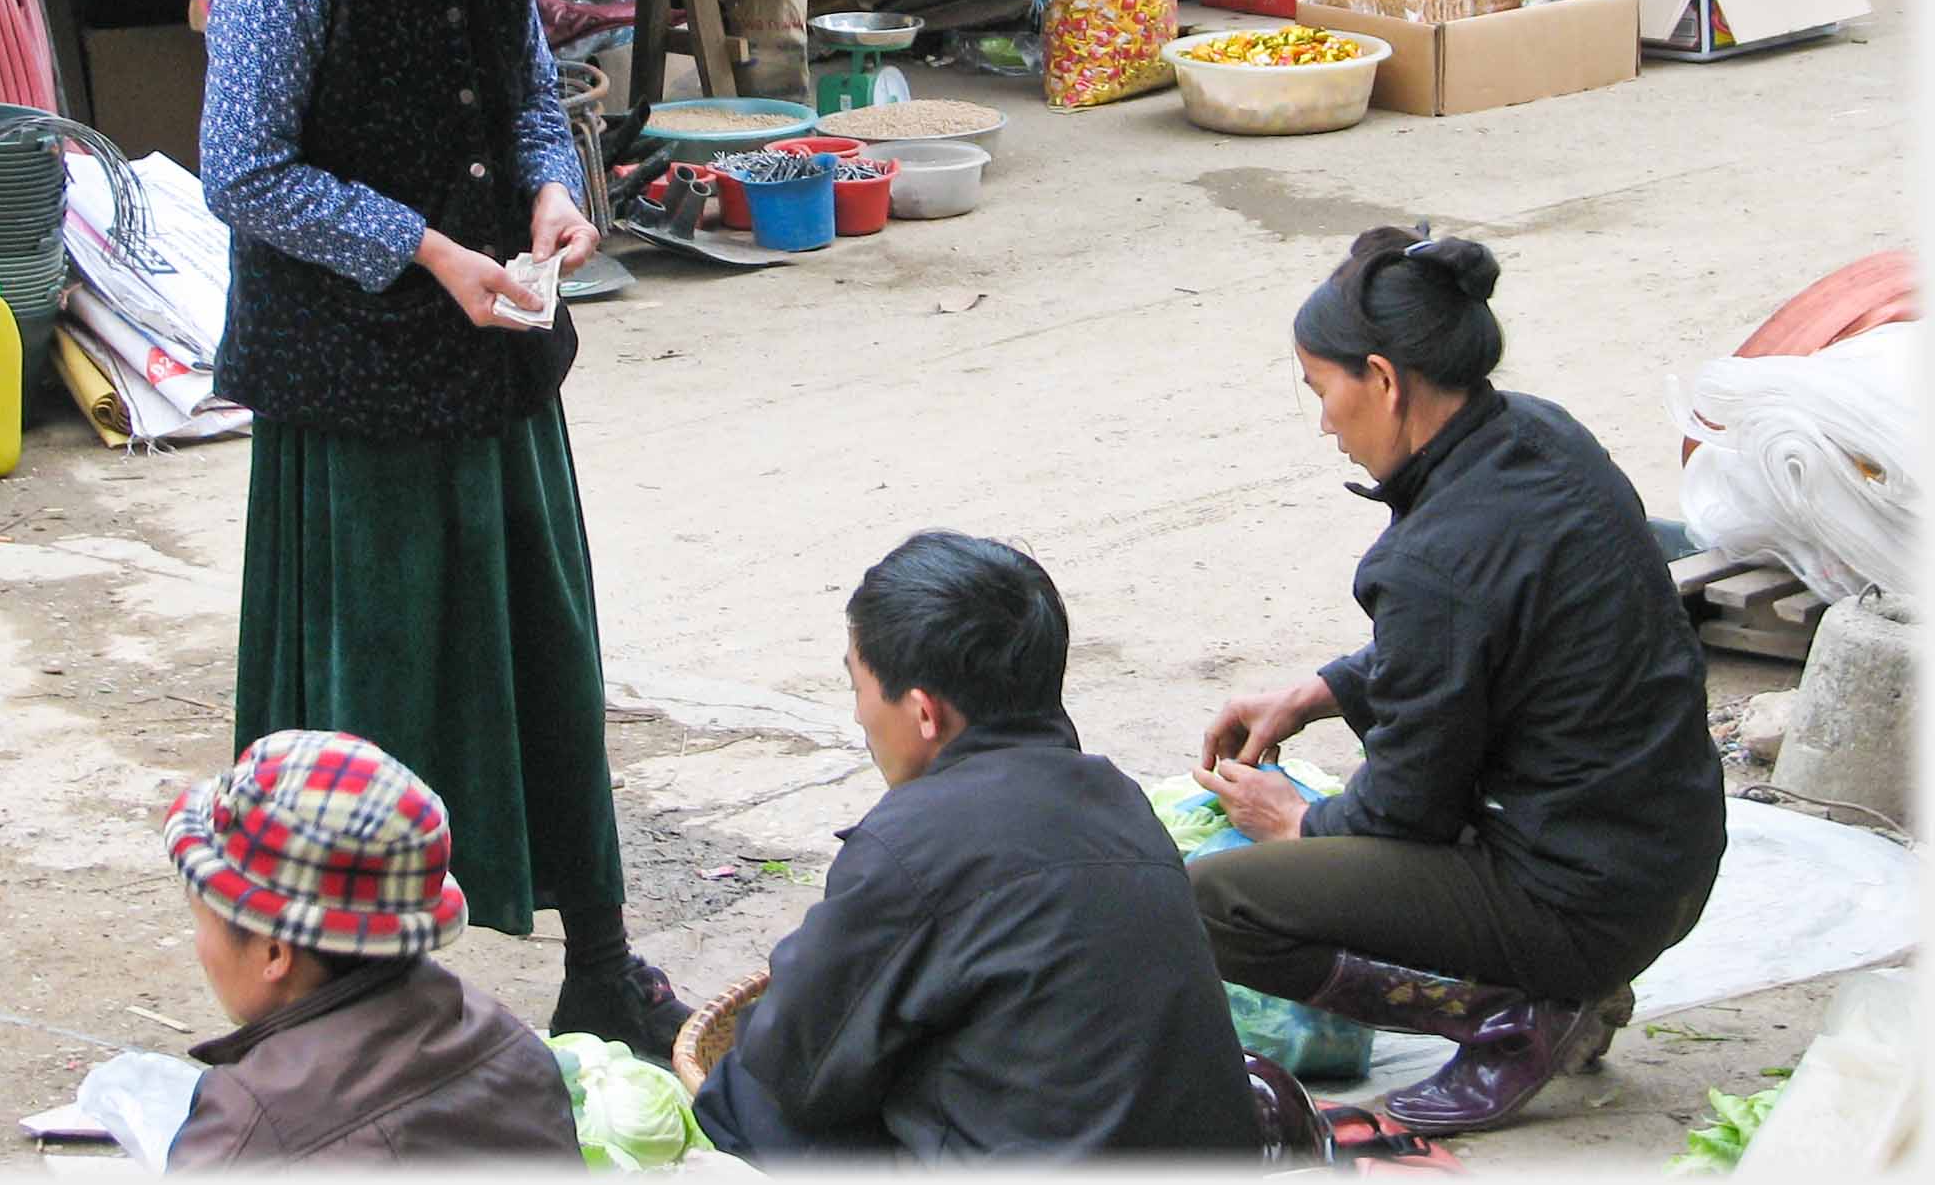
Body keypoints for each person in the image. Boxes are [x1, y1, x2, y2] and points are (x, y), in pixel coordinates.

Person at [185, 0, 690, 1060]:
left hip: (497, 359)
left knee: (547, 646)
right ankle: (334, 1018)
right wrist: (424, 249)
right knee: (372, 684)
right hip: (354, 378)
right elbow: (242, 171)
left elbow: (529, 85)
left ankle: (600, 960)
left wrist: (549, 191)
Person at [1187, 226, 1727, 1136]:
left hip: (1582, 899)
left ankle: (1517, 1018)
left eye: (1323, 392)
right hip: (1674, 856)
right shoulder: (1542, 433)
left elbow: (1404, 812)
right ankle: (1566, 982)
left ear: (1385, 381)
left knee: (1218, 902)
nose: (1324, 421)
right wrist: (1321, 691)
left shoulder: (1431, 559)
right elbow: (1503, 637)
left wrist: (1296, 822)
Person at [693, 532, 1265, 1164]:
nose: (859, 716)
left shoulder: (912, 841)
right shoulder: (1121, 800)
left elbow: (793, 1064)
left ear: (923, 713)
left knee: (743, 1094)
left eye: (859, 687)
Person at [162, 729, 580, 1167]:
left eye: (201, 920)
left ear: (273, 953)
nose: (200, 947)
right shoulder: (515, 1050)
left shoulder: (251, 1129)